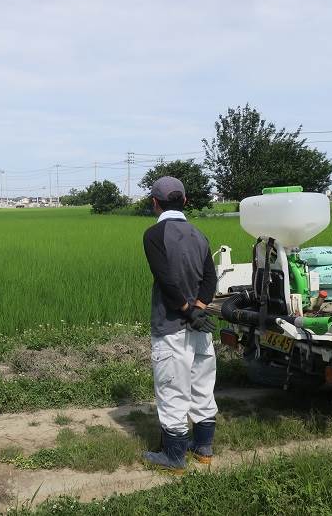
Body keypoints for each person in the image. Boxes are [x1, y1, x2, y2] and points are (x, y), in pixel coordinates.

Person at [141, 176, 218, 470]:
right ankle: (203, 447)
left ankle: (173, 456)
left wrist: (187, 310)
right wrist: (199, 310)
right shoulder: (199, 234)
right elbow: (210, 278)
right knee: (202, 385)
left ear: (155, 203)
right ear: (185, 201)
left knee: (172, 387)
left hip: (172, 326)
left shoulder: (153, 235)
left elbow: (166, 279)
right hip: (199, 328)